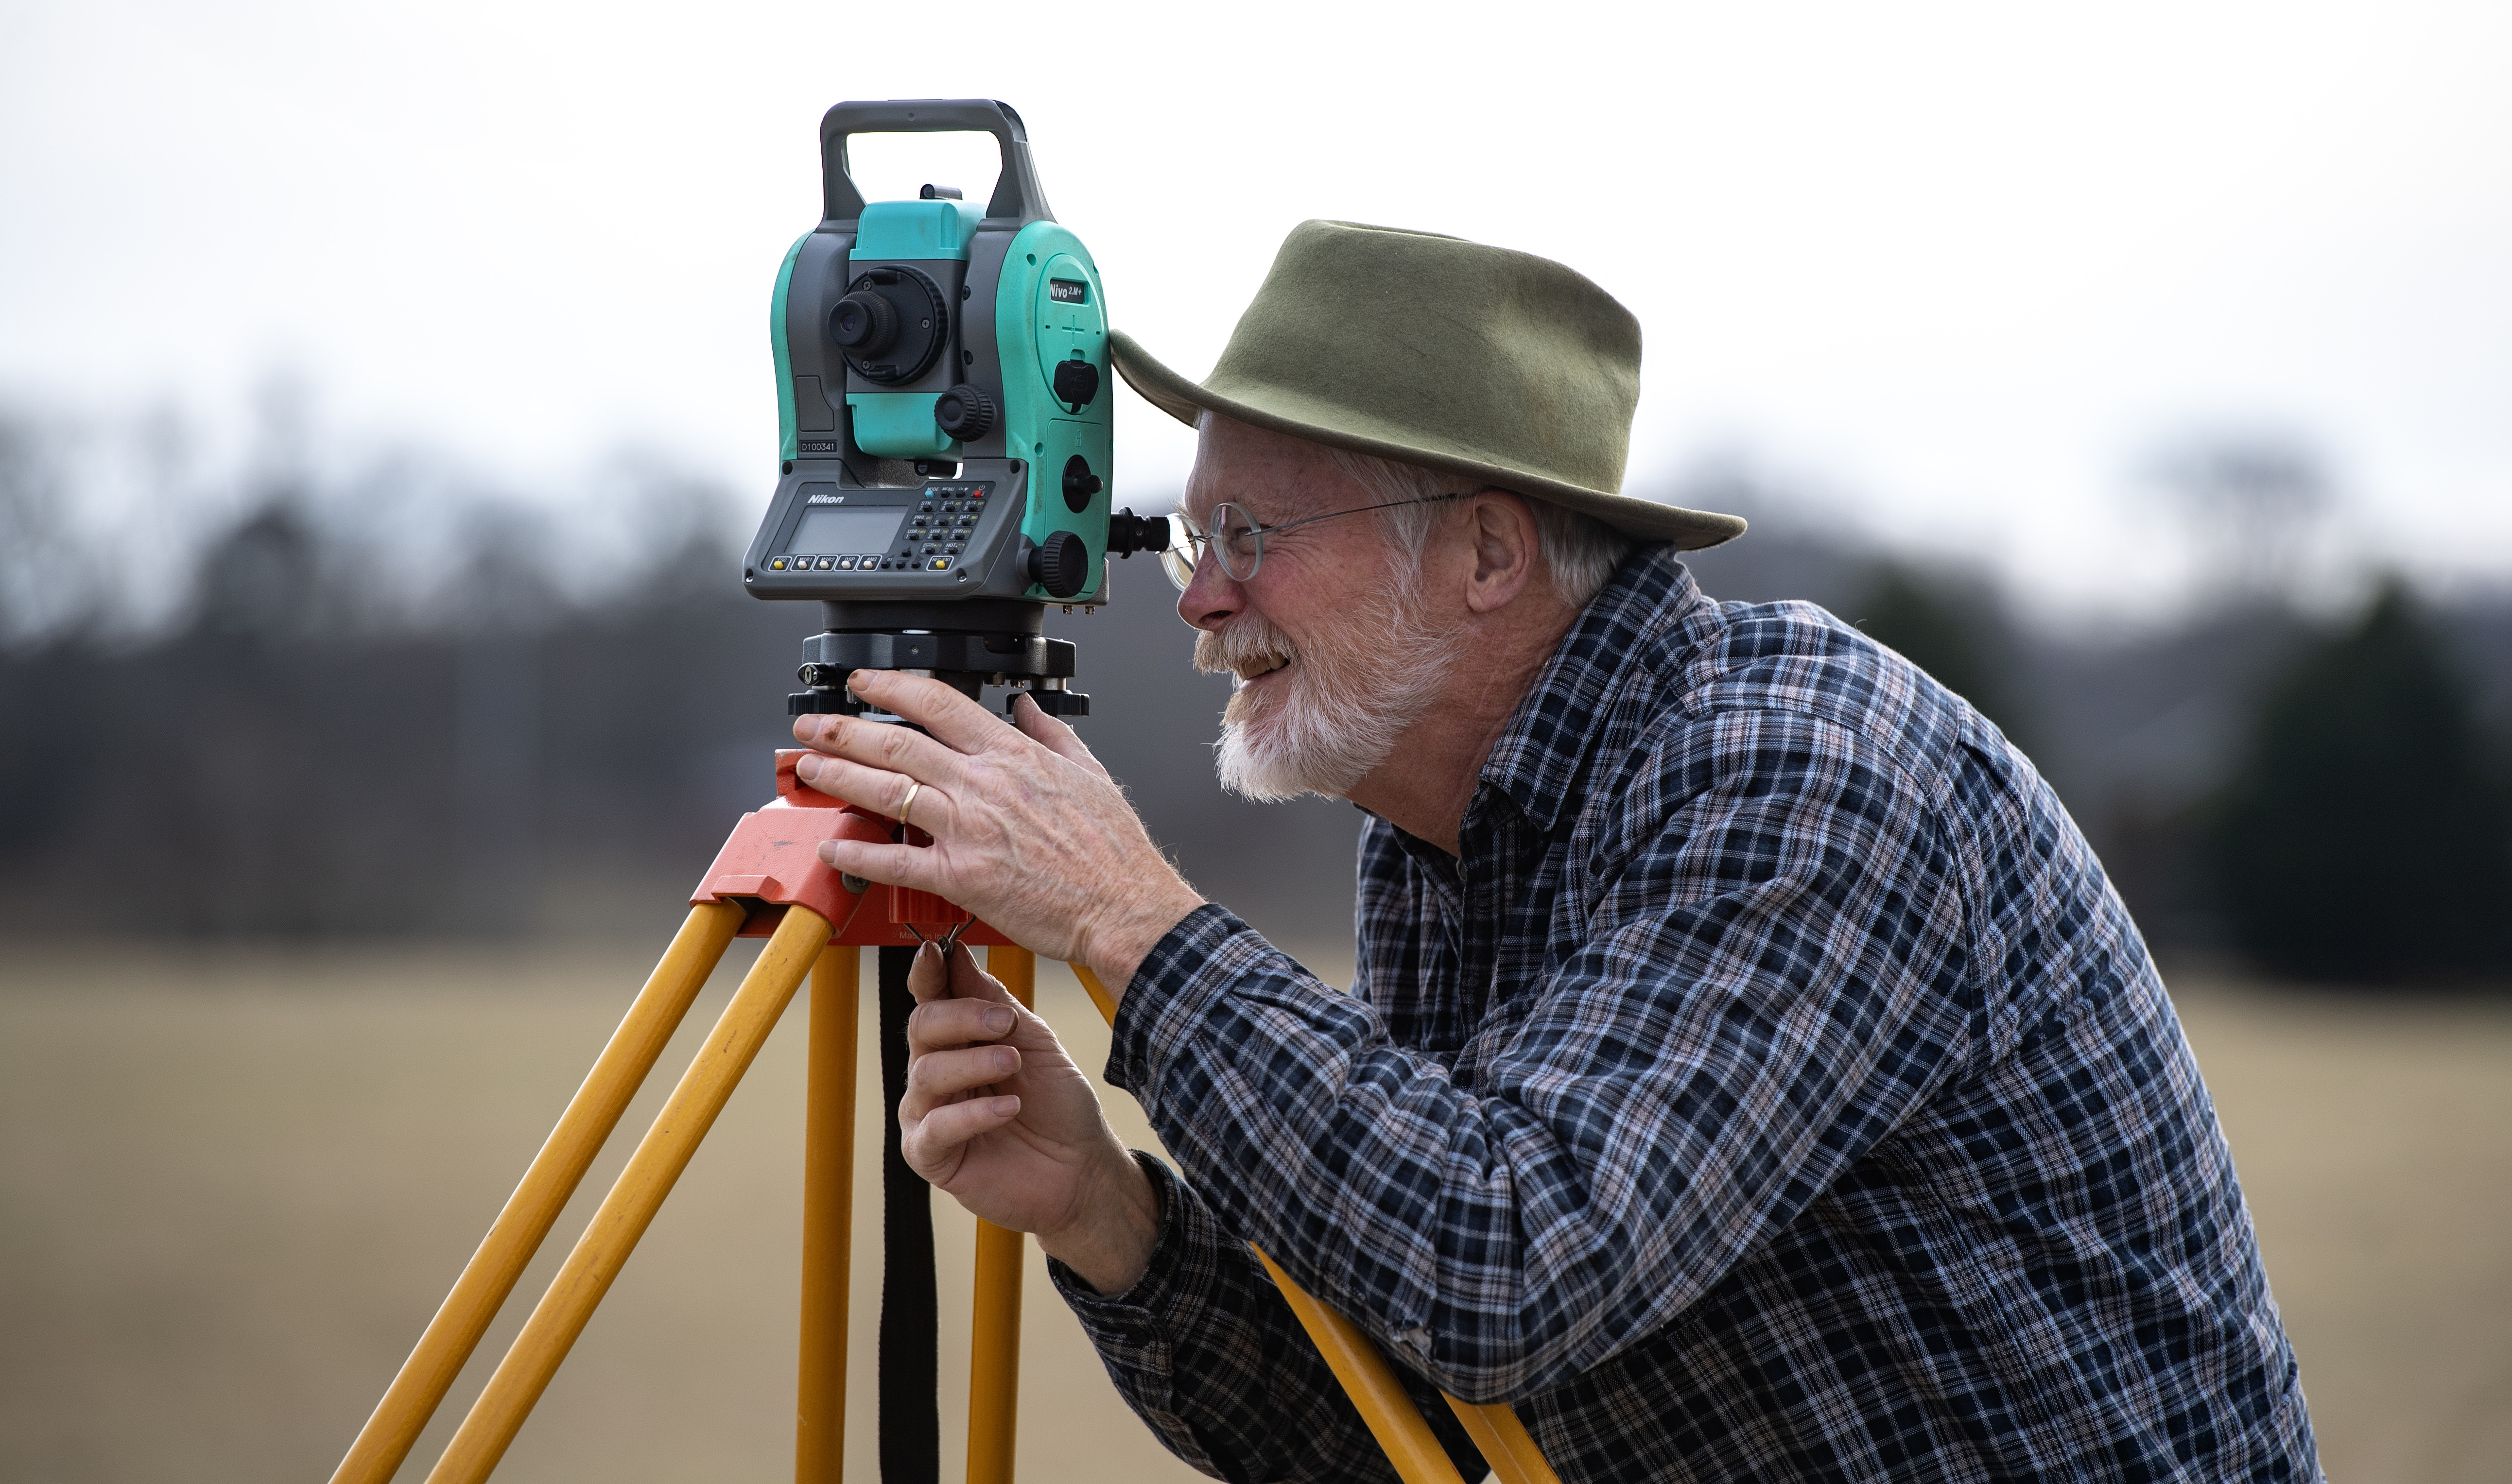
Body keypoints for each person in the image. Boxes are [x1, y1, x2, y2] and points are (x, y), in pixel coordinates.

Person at [789, 221, 2319, 1482]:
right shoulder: (1436, 845)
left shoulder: (1801, 772)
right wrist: (1105, 1214)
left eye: (1252, 534)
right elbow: (1415, 1434)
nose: (1198, 598)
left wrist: (1129, 917)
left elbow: (1510, 1270)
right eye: (1196, 540)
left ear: (1485, 551)